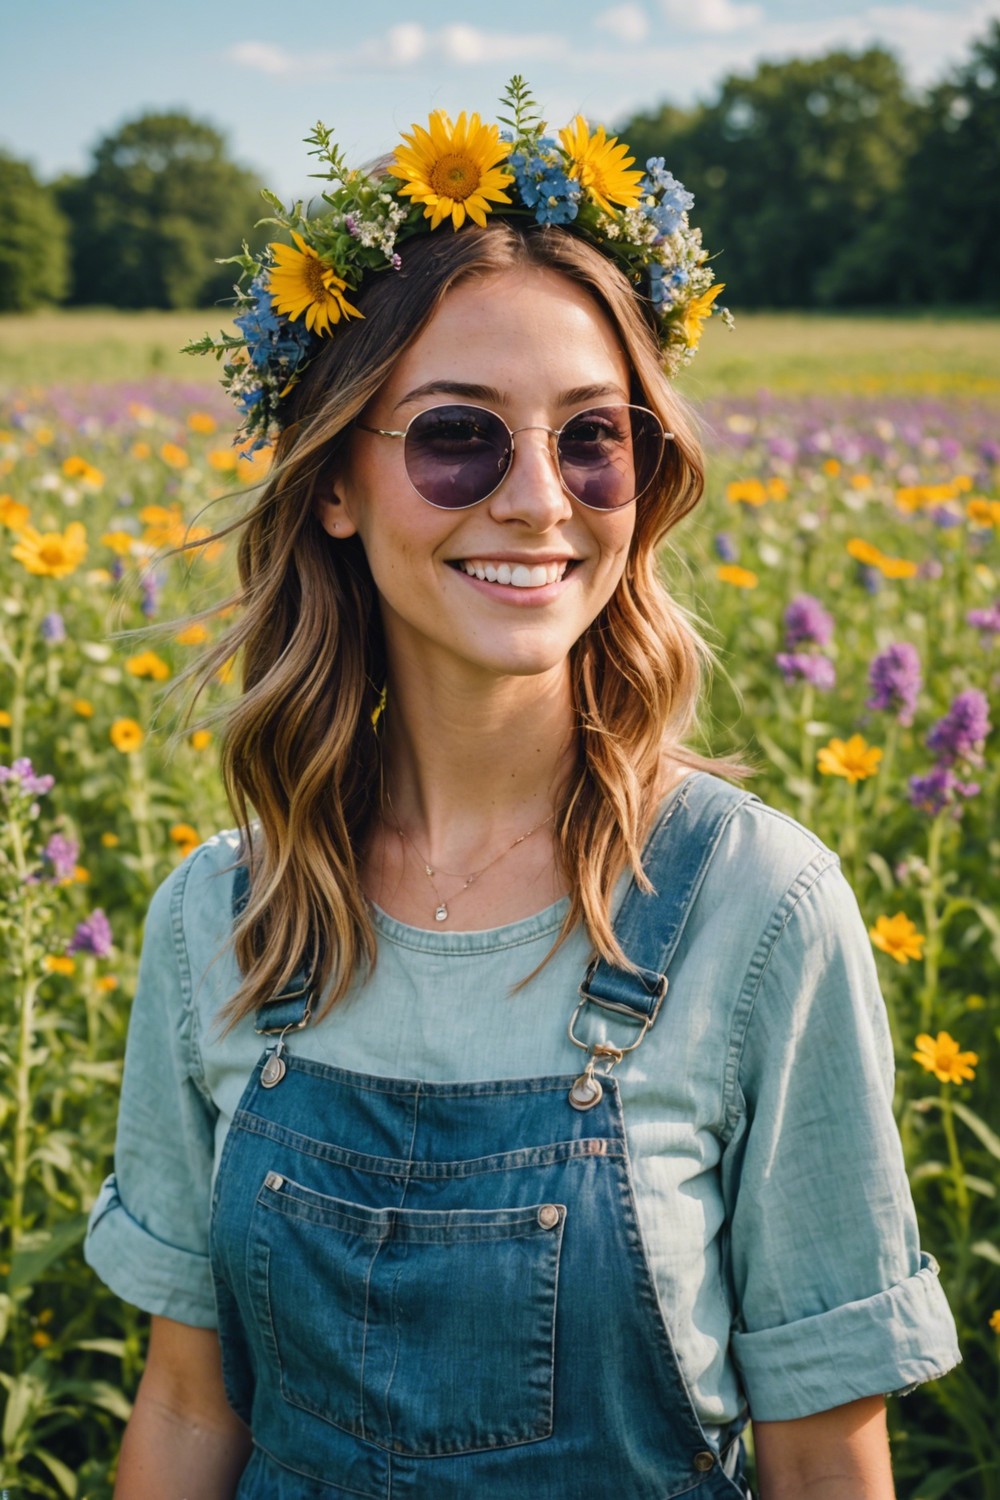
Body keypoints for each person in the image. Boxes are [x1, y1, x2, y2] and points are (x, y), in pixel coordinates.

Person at [85, 83, 960, 1499]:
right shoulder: (223, 916)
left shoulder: (756, 906)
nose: (540, 499)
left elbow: (822, 1456)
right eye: (457, 435)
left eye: (594, 435)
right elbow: (189, 1410)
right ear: (335, 483)